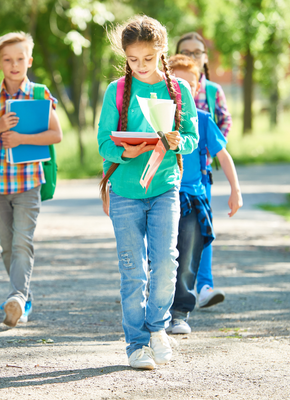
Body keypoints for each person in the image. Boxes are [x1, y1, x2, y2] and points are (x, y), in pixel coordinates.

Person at [98, 16, 198, 370]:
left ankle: (157, 326)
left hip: (165, 187)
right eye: (133, 60)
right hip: (125, 190)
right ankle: (136, 345)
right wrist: (126, 152)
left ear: (162, 53)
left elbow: (191, 138)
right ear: (125, 57)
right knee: (133, 270)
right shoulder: (117, 91)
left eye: (148, 59)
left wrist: (176, 141)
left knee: (166, 263)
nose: (140, 67)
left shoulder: (179, 91)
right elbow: (103, 143)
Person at [0, 32, 62, 328]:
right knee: (8, 247)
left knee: (23, 244)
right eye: (7, 60)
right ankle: (24, 298)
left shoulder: (40, 95)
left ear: (29, 60)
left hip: (28, 183)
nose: (14, 65)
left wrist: (21, 137)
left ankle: (17, 297)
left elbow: (56, 135)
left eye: (20, 59)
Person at [166, 55, 243, 334]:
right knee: (160, 257)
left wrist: (235, 189)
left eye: (188, 85)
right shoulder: (155, 120)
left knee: (187, 258)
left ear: (197, 90)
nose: (181, 90)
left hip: (193, 198)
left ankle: (179, 313)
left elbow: (223, 155)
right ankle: (156, 309)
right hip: (160, 196)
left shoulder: (202, 119)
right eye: (176, 83)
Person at [176, 32, 233, 308]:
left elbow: (224, 122)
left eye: (196, 52)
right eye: (185, 52)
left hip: (200, 173)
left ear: (205, 58)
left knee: (202, 228)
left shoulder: (211, 91)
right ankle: (170, 288)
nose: (190, 56)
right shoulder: (171, 84)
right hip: (170, 175)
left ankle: (205, 286)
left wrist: (207, 151)